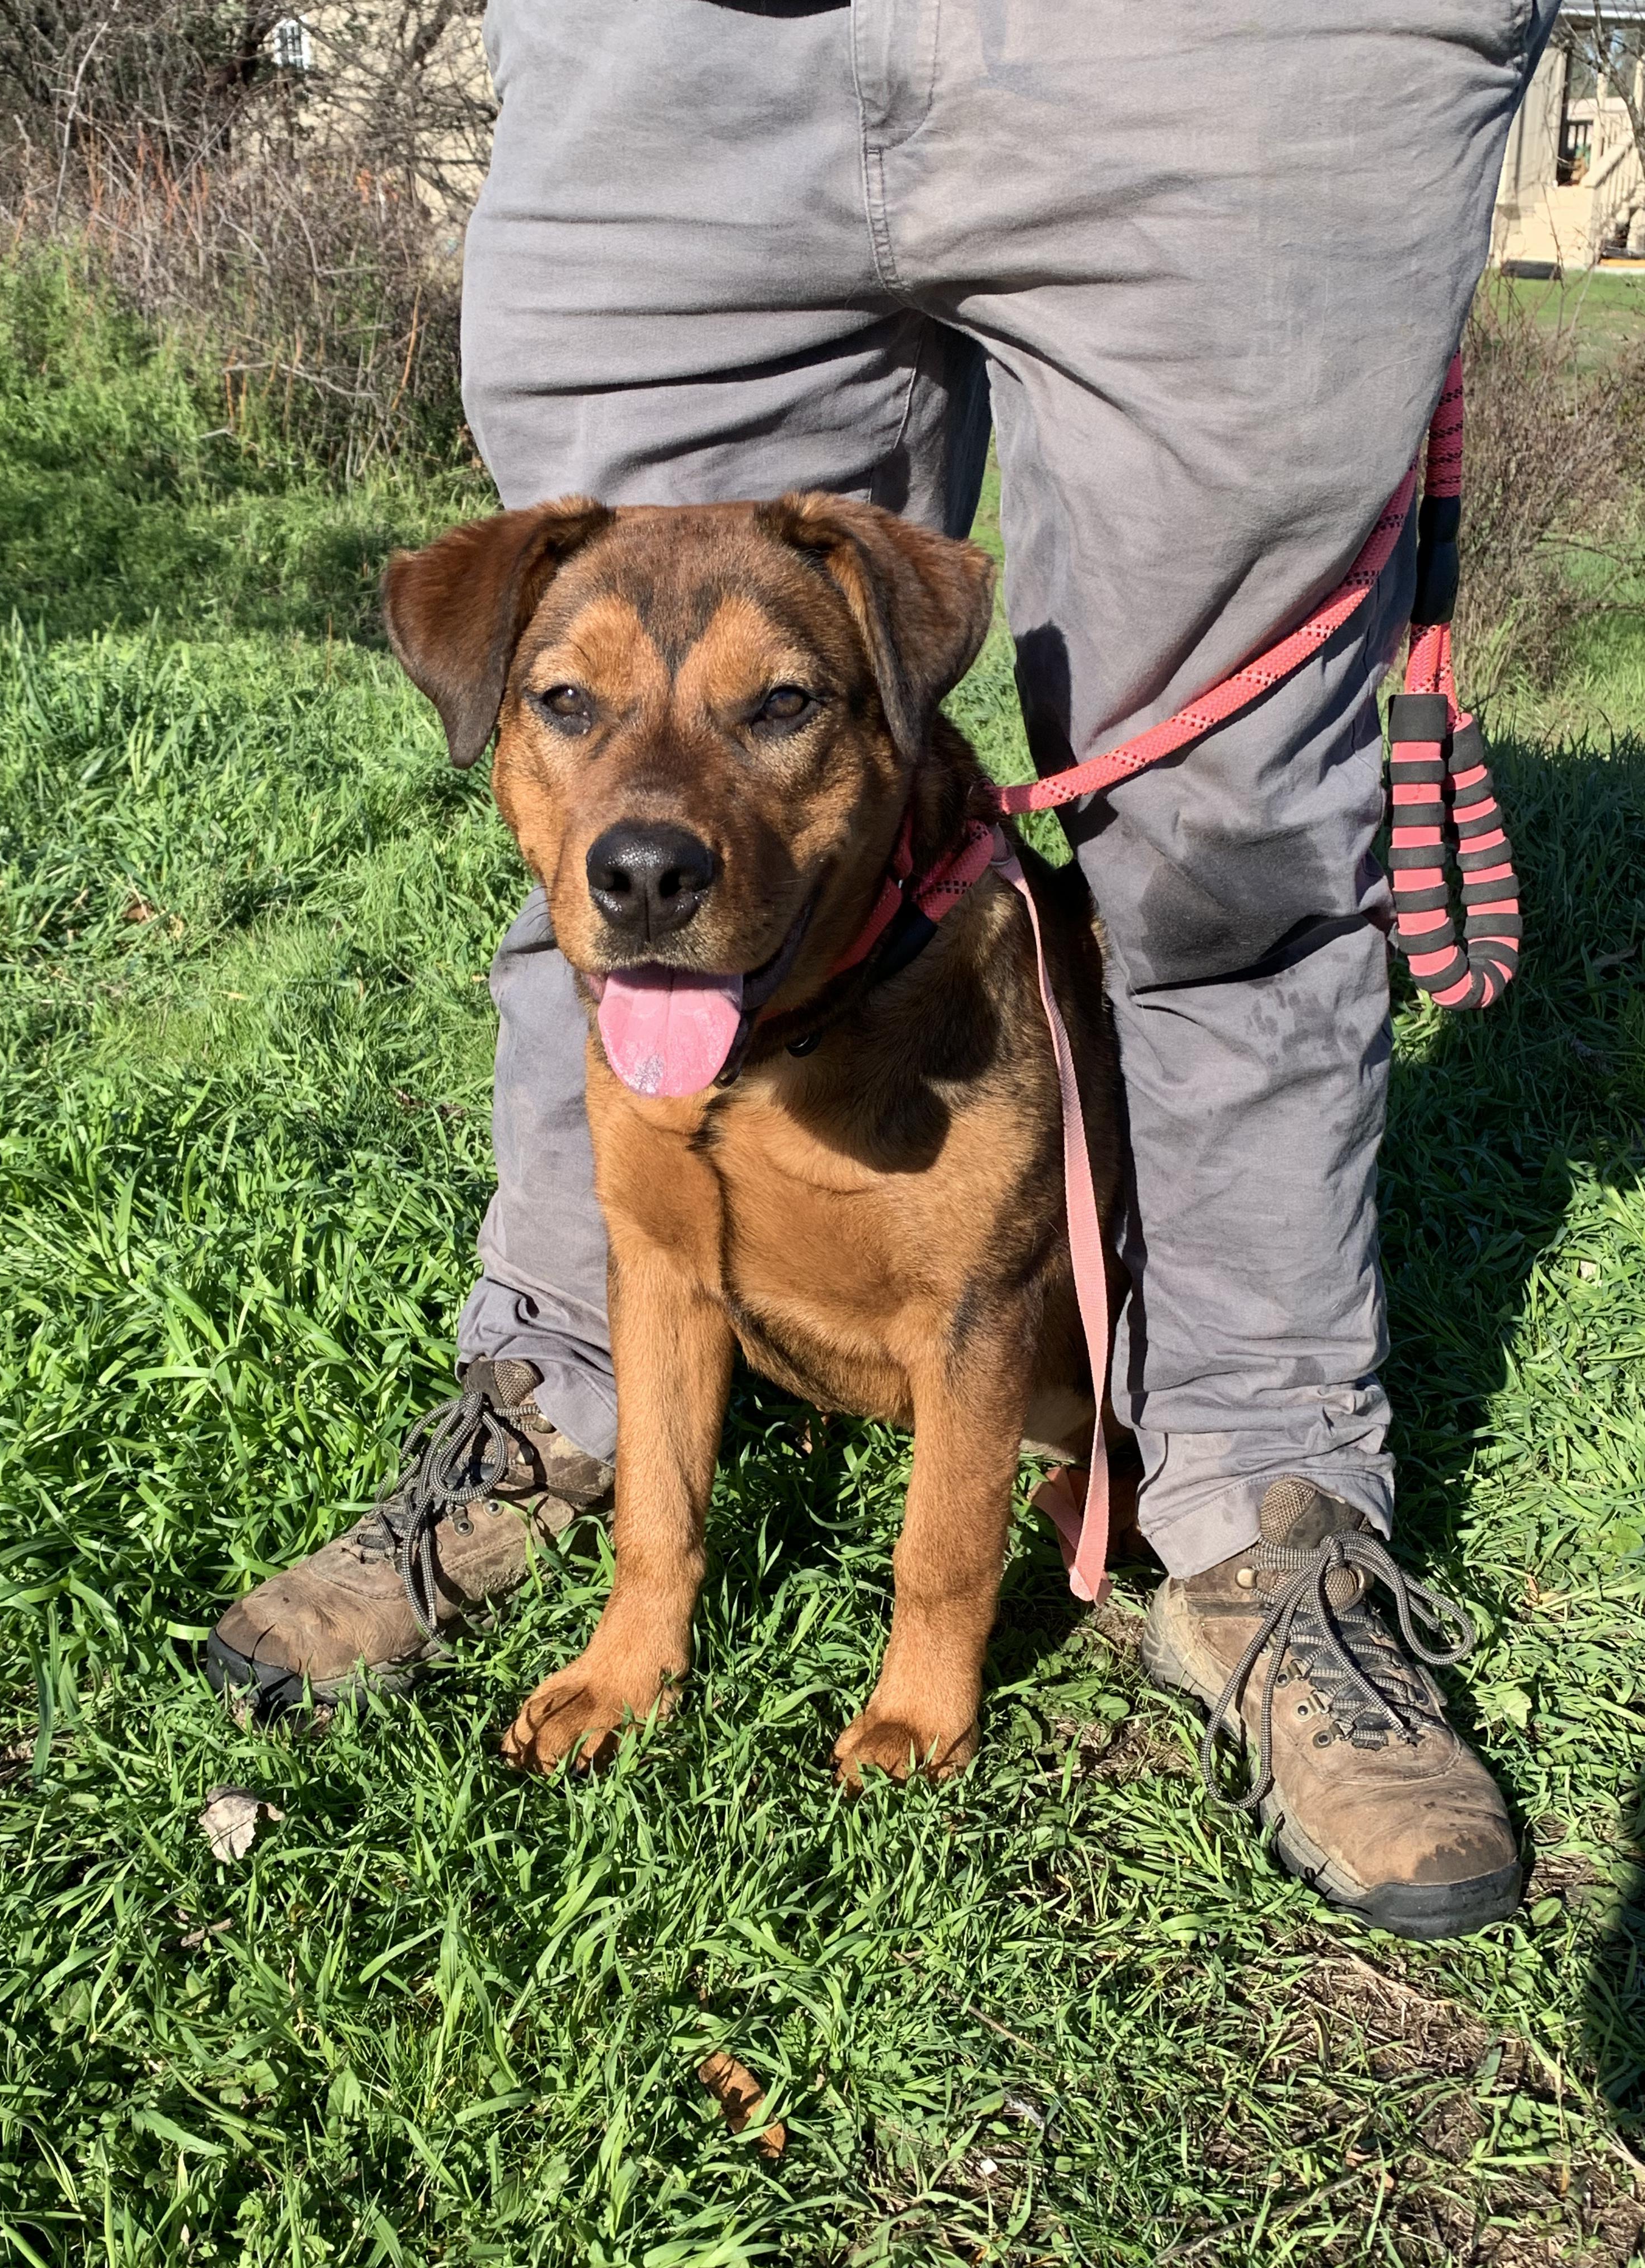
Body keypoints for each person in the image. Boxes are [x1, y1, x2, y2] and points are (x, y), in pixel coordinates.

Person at [209, 0, 1555, 1940]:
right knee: (639, 1063)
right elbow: (611, 750)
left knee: (1234, 831)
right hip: (679, 40)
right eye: (566, 712)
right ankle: (566, 1428)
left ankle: (1260, 1507)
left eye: (781, 714)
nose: (652, 812)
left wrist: (934, 1641)